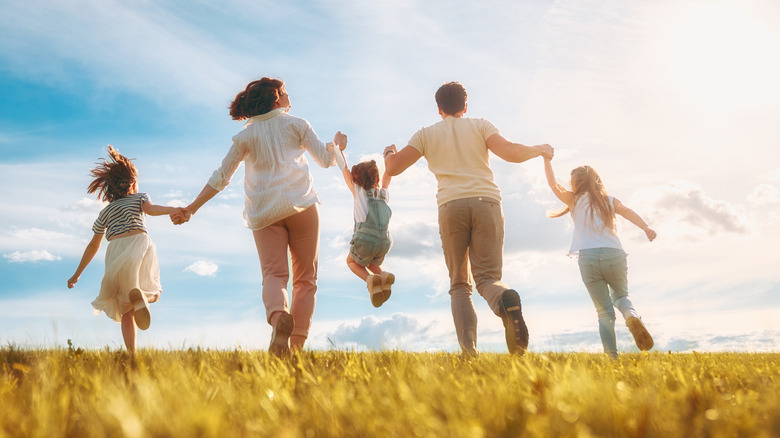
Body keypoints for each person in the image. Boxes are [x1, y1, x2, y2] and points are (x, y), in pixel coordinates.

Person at [173, 77, 344, 356]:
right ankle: (296, 350)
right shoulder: (298, 124)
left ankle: (279, 319)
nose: (290, 97)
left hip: (264, 212)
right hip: (301, 206)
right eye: (286, 93)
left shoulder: (245, 137)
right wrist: (337, 145)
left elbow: (220, 178)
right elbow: (326, 161)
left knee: (274, 275)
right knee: (306, 279)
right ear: (276, 98)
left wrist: (192, 208)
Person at [384, 81, 553, 355]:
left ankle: (469, 351)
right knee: (487, 278)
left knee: (460, 284)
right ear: (465, 106)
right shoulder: (481, 125)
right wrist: (539, 150)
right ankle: (503, 299)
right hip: (486, 202)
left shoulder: (426, 134)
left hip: (451, 207)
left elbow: (393, 167)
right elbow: (510, 152)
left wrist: (389, 152)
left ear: (439, 109)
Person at [67, 145, 179, 351]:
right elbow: (151, 210)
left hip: (116, 253)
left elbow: (93, 245)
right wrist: (173, 209)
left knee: (124, 307)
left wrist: (77, 274)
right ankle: (144, 298)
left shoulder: (106, 212)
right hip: (139, 244)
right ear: (133, 183)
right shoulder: (140, 197)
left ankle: (131, 355)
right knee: (153, 288)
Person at [543, 157, 656, 358]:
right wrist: (645, 228)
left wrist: (546, 159)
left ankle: (612, 358)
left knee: (604, 312)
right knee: (621, 296)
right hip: (614, 254)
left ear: (575, 183)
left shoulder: (573, 200)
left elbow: (553, 184)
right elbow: (627, 212)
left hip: (588, 259)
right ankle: (631, 315)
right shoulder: (609, 201)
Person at [334, 144, 394, 307]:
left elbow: (343, 167)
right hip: (384, 241)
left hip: (365, 239)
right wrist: (390, 154)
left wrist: (337, 146)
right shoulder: (383, 194)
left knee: (352, 262)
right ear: (376, 179)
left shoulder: (359, 192)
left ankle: (370, 280)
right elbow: (388, 176)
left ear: (356, 180)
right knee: (371, 262)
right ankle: (383, 277)